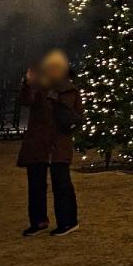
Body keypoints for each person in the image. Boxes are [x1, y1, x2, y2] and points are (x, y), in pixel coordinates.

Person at [17, 50, 83, 236]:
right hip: (38, 141)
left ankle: (68, 220)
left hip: (58, 142)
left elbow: (78, 117)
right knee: (36, 183)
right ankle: (38, 220)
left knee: (61, 183)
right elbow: (25, 101)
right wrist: (29, 83)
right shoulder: (38, 88)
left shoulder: (70, 90)